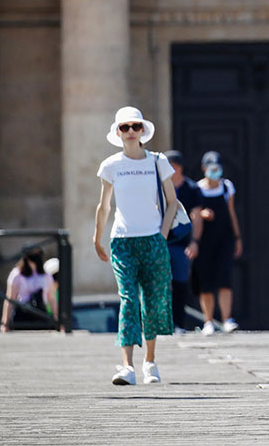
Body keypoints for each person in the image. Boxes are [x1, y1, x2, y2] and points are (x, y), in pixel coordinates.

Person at [93, 106, 176, 385]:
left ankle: (149, 362)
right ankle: (127, 366)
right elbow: (104, 206)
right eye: (125, 127)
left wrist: (162, 235)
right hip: (122, 241)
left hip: (153, 240)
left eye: (135, 126)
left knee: (151, 301)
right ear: (117, 132)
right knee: (128, 298)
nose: (130, 131)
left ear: (142, 131)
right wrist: (97, 238)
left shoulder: (158, 161)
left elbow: (172, 201)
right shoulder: (111, 165)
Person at [193, 151, 243, 335]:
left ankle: (226, 319)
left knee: (225, 279)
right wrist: (202, 214)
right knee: (205, 281)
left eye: (217, 168)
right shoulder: (197, 188)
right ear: (204, 168)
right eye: (211, 168)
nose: (214, 172)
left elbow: (231, 212)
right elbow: (192, 214)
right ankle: (208, 321)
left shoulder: (227, 187)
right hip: (204, 239)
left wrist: (237, 237)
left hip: (224, 238)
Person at [164, 150, 205, 333]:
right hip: (162, 242)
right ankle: (162, 323)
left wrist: (194, 241)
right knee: (160, 284)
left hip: (181, 243)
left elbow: (196, 217)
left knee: (180, 284)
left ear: (179, 167)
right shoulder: (158, 187)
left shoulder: (191, 189)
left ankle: (178, 323)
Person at [0, 247, 57, 332]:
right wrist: (5, 323)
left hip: (40, 314)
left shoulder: (46, 275)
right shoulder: (17, 274)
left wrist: (57, 318)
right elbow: (10, 299)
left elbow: (51, 299)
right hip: (22, 314)